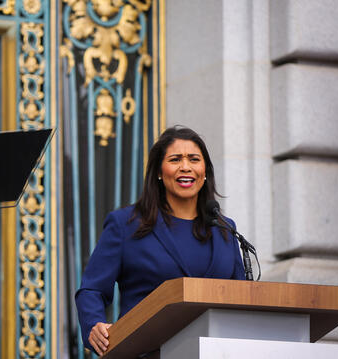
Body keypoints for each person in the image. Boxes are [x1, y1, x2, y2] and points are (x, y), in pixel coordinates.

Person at [75, 126, 246, 355]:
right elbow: (92, 289)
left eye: (194, 159)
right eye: (175, 159)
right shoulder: (125, 224)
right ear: (158, 171)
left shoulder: (225, 229)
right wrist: (94, 325)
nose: (185, 167)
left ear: (204, 171)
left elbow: (242, 298)